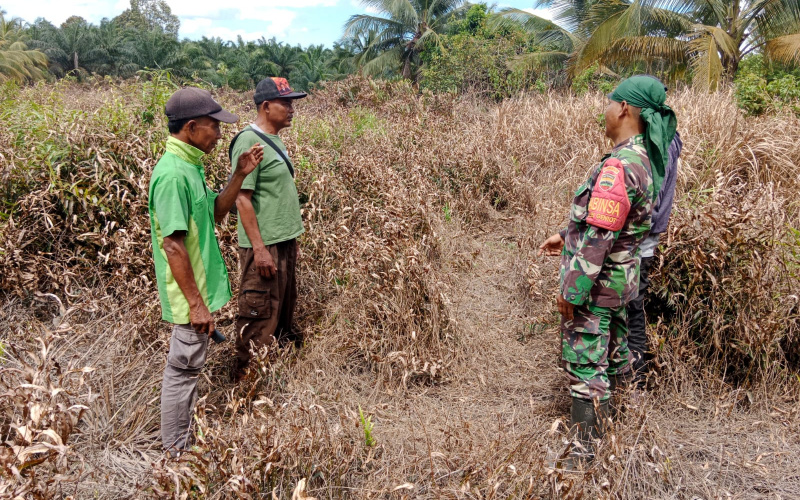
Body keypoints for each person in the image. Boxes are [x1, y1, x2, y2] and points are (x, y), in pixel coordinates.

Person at [539, 75, 677, 466]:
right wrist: (566, 235)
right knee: (614, 358)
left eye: (609, 103)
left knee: (586, 367)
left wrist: (571, 290)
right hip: (620, 284)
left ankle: (584, 458)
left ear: (624, 109)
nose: (605, 111)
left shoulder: (620, 165)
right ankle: (611, 439)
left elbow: (600, 238)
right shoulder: (644, 158)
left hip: (596, 288)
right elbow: (614, 223)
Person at [148, 87, 263, 455]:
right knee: (182, 373)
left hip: (196, 293)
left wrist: (239, 174)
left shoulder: (189, 166)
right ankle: (175, 454)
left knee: (189, 369)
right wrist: (196, 305)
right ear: (192, 127)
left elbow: (215, 211)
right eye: (214, 126)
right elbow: (173, 245)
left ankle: (180, 446)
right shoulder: (172, 175)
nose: (218, 134)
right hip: (189, 297)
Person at [229, 77, 308, 383]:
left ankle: (272, 377)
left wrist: (290, 239)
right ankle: (245, 384)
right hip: (264, 245)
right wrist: (259, 249)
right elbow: (242, 198)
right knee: (259, 314)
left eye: (292, 103)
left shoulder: (274, 139)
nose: (291, 109)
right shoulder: (249, 141)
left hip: (283, 240)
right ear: (265, 106)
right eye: (285, 103)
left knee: (281, 312)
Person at [626, 130, 682, 389]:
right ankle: (631, 383)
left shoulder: (659, 141)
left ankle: (633, 384)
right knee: (632, 311)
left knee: (630, 312)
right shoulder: (666, 138)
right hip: (643, 242)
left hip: (636, 242)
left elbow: (650, 200)